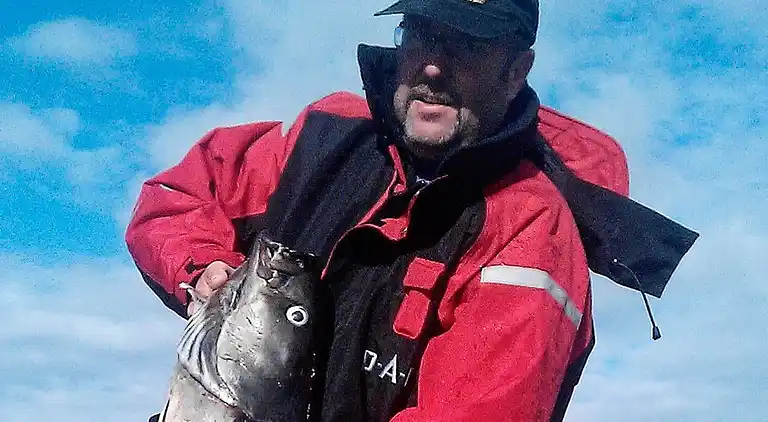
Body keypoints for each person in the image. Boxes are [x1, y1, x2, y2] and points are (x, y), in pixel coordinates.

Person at [126, 0, 698, 421]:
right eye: (422, 32)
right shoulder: (325, 132)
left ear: (516, 70)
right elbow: (179, 199)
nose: (433, 66)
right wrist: (202, 272)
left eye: (468, 45)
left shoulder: (530, 226)